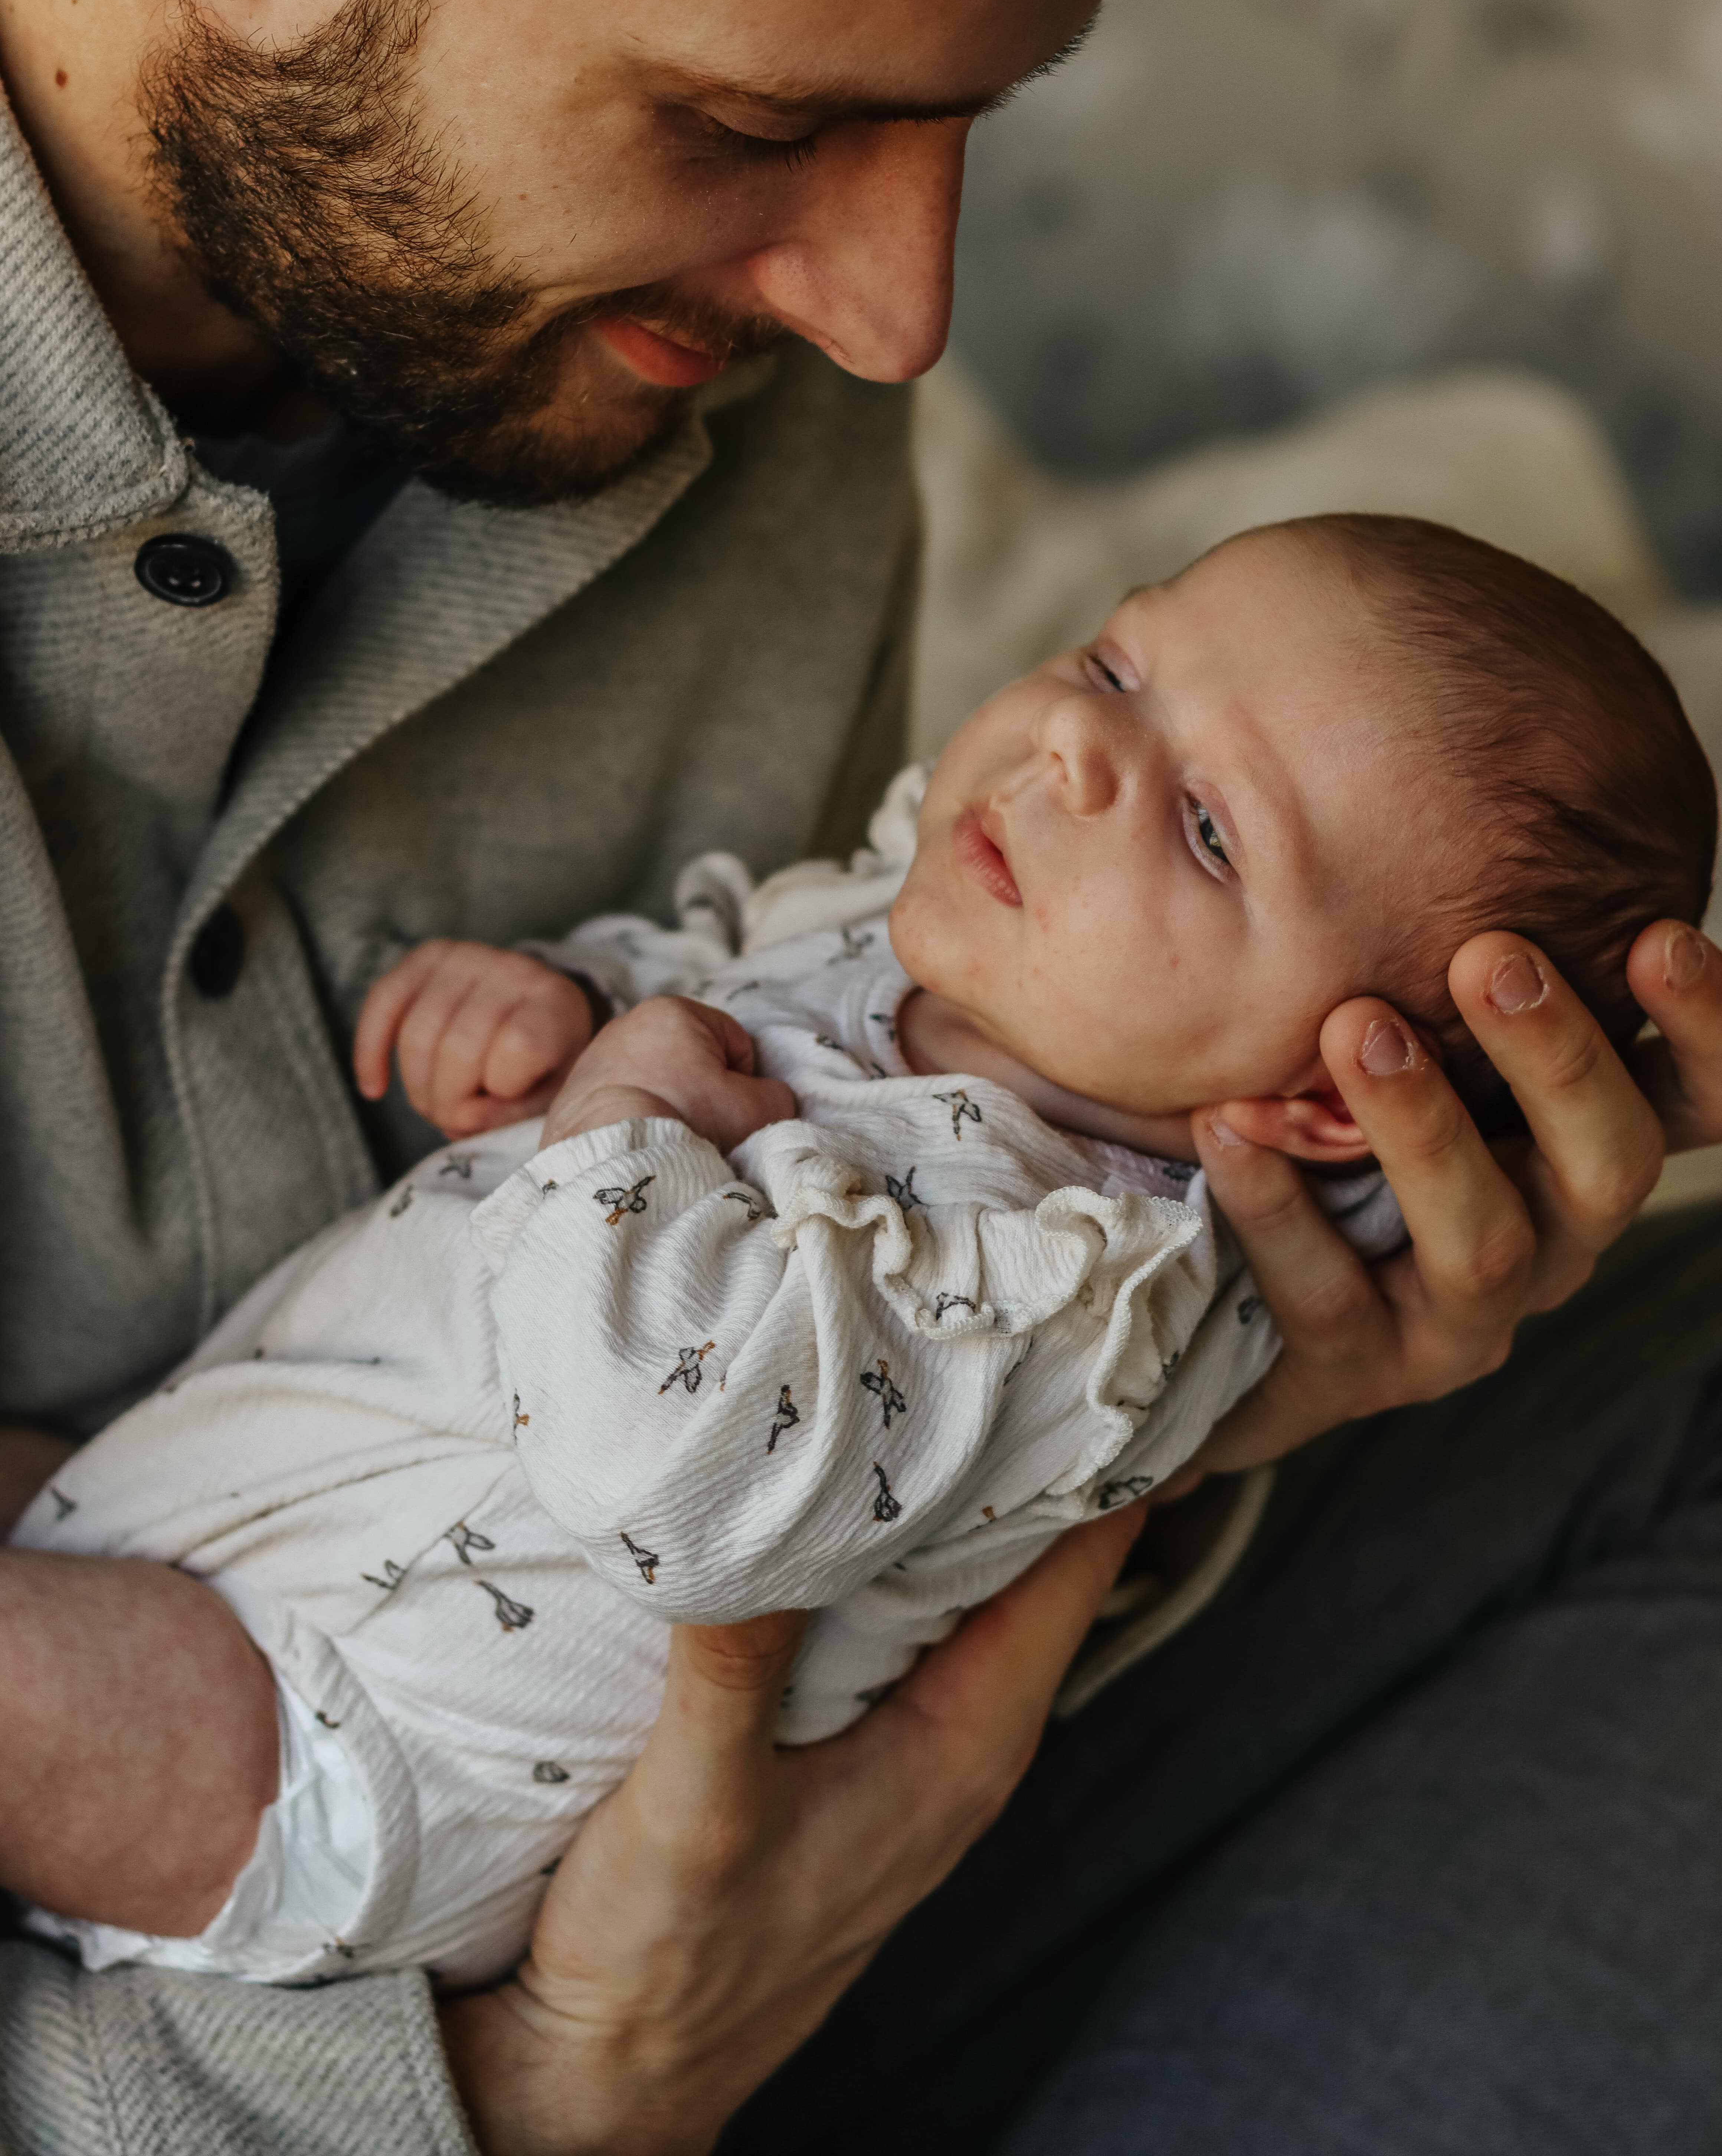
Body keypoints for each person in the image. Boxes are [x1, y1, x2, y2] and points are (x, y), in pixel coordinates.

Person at [0, 0, 1720, 2151]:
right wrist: (534, 2088)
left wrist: (1196, 1419)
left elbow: (879, 1134)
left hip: (689, 1743)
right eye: (760, 117)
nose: (900, 317)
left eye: (963, 118)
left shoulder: (739, 364)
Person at [3, 518, 1715, 2020]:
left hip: (341, 1736)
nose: (1074, 750)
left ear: (1317, 1108)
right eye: (1117, 661)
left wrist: (616, 1115)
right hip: (228, 1497)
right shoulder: (944, 943)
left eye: (1207, 832)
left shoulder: (1071, 1290)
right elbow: (715, 988)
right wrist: (569, 1008)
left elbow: (663, 1474)